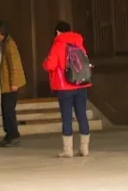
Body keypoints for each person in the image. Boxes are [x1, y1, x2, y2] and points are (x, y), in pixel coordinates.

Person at [44, 20, 92, 158]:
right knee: (82, 115)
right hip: (81, 84)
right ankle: (84, 148)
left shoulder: (58, 44)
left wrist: (45, 62)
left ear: (58, 32)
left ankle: (68, 150)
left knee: (67, 117)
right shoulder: (79, 43)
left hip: (65, 86)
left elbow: (50, 65)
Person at [0, 19, 26, 145]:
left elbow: (14, 65)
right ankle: (9, 135)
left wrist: (14, 83)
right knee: (6, 109)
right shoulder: (5, 44)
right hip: (6, 83)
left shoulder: (9, 45)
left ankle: (13, 135)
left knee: (8, 110)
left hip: (10, 84)